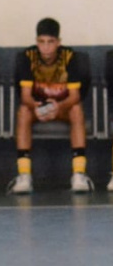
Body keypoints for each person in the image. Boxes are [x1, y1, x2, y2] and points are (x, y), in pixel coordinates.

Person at [8, 18, 93, 194]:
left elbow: (75, 96)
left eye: (50, 42)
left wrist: (57, 107)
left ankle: (78, 174)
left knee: (77, 110)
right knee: (23, 111)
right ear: (36, 42)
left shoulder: (70, 57)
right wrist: (37, 108)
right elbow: (25, 96)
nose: (46, 47)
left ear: (58, 42)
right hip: (37, 108)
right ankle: (24, 176)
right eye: (41, 42)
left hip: (62, 107)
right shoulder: (27, 57)